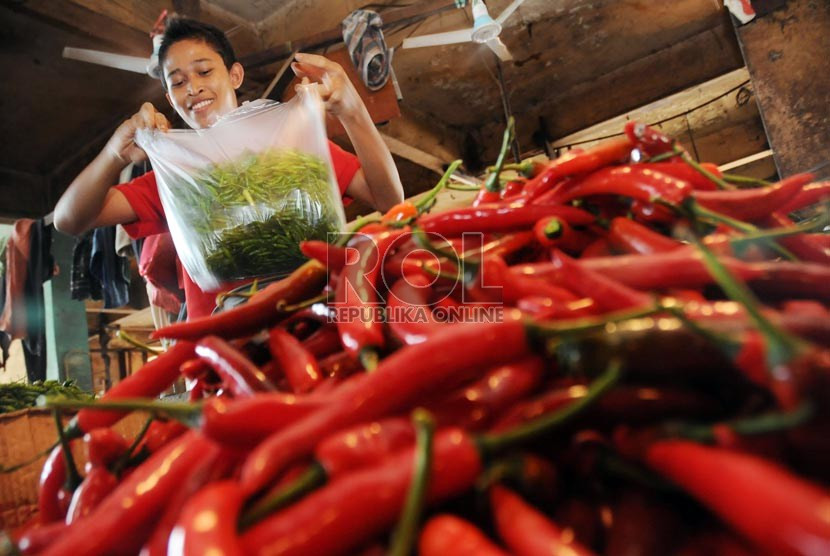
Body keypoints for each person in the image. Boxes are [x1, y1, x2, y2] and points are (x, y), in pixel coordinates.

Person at [54, 17, 404, 320]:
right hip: (227, 343)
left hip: (318, 314)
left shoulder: (296, 148)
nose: (193, 87)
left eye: (204, 71)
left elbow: (389, 199)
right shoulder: (178, 179)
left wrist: (353, 111)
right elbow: (69, 219)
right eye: (176, 82)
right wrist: (114, 153)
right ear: (169, 96)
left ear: (235, 75)